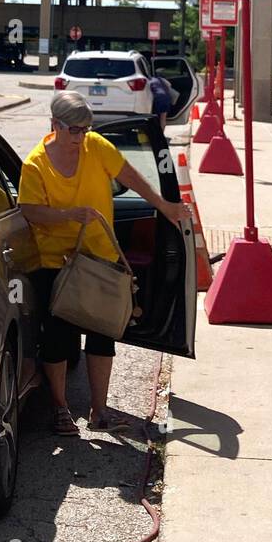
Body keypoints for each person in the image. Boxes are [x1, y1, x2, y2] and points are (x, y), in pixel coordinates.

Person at [17, 90, 187, 437]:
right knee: (58, 340)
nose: (82, 136)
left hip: (101, 260)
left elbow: (129, 177)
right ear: (55, 125)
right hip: (58, 263)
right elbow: (29, 211)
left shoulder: (96, 146)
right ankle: (61, 409)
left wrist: (164, 205)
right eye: (75, 130)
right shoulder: (36, 163)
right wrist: (69, 215)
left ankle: (99, 411)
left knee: (102, 336)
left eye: (86, 128)